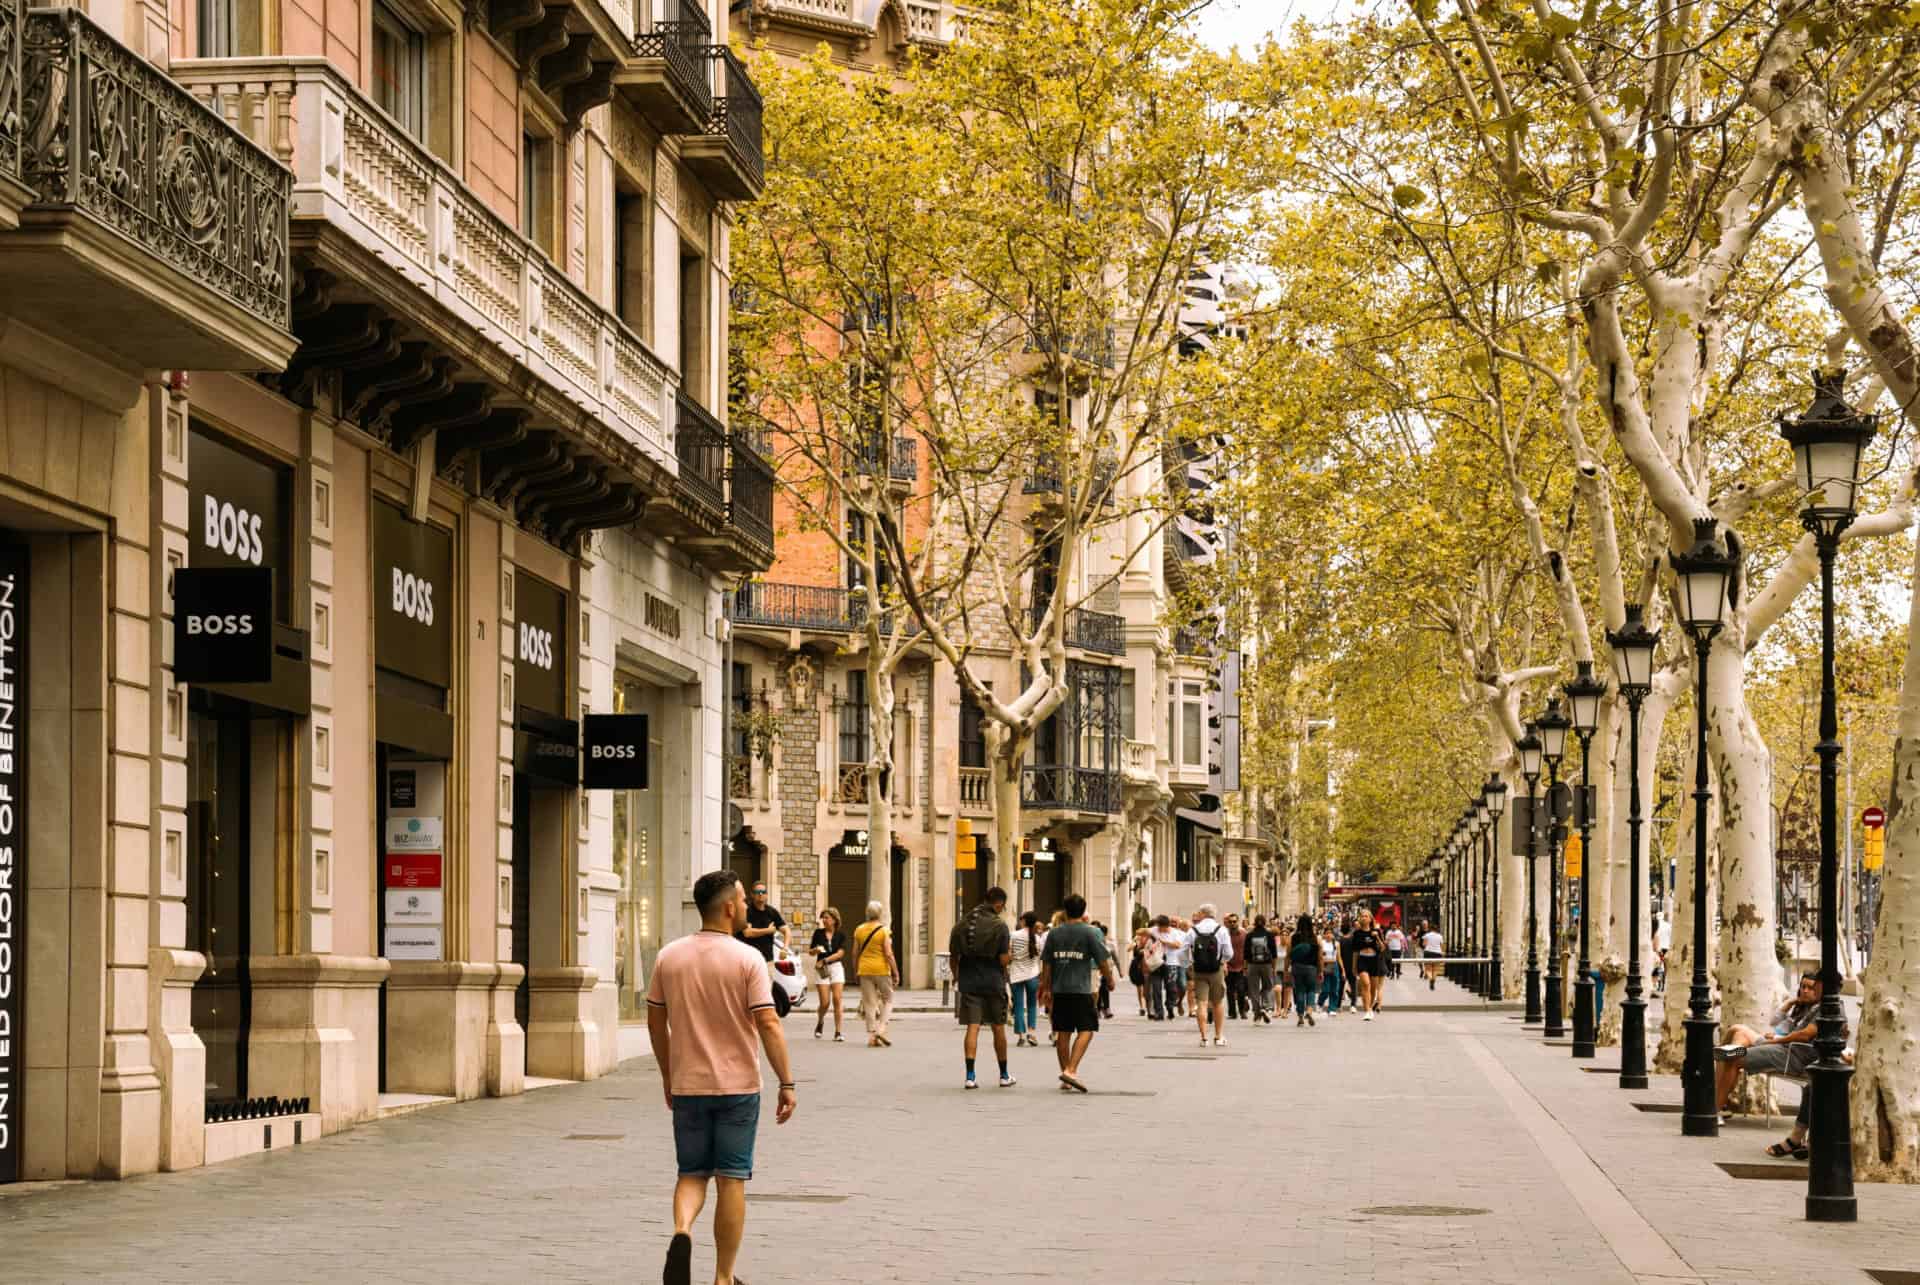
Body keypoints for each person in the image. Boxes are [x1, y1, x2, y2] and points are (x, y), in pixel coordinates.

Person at [647, 870, 797, 1285]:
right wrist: (787, 1081)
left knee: (692, 1174)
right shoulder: (747, 958)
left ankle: (682, 1232)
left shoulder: (669, 956)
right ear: (729, 907)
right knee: (731, 1181)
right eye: (745, 899)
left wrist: (667, 1074)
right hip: (738, 1088)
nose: (748, 905)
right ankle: (723, 1278)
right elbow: (768, 1023)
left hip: (688, 1085)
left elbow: (656, 1023)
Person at [1715, 973, 1827, 1118]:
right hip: (1783, 1049)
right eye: (1803, 987)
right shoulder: (1807, 1008)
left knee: (1733, 1055)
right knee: (1733, 1043)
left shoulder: (1824, 1008)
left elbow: (1804, 1035)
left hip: (1791, 1056)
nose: (1806, 991)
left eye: (1811, 987)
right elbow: (1778, 1025)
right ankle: (1716, 1102)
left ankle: (1714, 1109)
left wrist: (1774, 1040)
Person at [1040, 893, 1119, 1092]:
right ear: (1083, 911)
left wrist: (1046, 987)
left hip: (1060, 989)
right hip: (1081, 989)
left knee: (1063, 1032)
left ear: (1065, 910)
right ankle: (1071, 1070)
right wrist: (1109, 979)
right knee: (1087, 1029)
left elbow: (1047, 963)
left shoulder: (1054, 933)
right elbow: (1102, 959)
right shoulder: (1090, 932)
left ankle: (1066, 1075)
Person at [949, 886, 1015, 1089]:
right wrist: (1010, 956)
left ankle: (970, 1076)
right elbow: (1004, 960)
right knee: (998, 1027)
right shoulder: (1000, 926)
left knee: (973, 1026)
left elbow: (954, 958)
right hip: (993, 981)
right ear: (999, 904)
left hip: (969, 981)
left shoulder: (961, 924)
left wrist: (957, 975)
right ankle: (1004, 1075)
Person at [850, 901, 898, 1048]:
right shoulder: (884, 931)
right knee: (888, 999)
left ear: (867, 913)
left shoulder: (859, 929)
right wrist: (895, 972)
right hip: (881, 970)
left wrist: (855, 970)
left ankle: (872, 1037)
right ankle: (881, 1029)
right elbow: (888, 954)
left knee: (869, 1003)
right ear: (880, 914)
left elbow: (854, 953)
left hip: (865, 969)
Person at [1186, 904, 1233, 1047]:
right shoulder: (1222, 930)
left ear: (1202, 914)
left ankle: (1204, 1037)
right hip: (1215, 970)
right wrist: (1222, 961)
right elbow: (1229, 953)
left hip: (1199, 970)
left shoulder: (1193, 930)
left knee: (1201, 1003)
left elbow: (1184, 949)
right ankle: (1218, 1036)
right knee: (1218, 1002)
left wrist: (1190, 962)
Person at [808, 907, 848, 1042]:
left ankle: (838, 1031)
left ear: (834, 920)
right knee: (825, 1003)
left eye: (827, 918)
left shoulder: (841, 935)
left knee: (837, 999)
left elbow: (840, 953)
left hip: (835, 967)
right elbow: (811, 952)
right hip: (822, 970)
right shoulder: (818, 933)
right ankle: (820, 1021)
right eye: (823, 918)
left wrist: (825, 959)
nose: (824, 920)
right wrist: (815, 950)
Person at [1008, 911, 1047, 1047]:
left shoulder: (1013, 935)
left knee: (1018, 1005)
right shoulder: (1038, 938)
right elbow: (1041, 958)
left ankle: (1021, 1035)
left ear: (1023, 921)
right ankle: (1031, 1032)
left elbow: (1009, 954)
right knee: (1032, 1005)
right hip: (1032, 975)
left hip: (1016, 975)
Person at [1347, 909, 1388, 1020]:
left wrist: (1377, 937)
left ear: (1370, 919)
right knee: (1365, 983)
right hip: (1362, 960)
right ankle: (1367, 1010)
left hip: (1374, 960)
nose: (1364, 918)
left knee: (1373, 988)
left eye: (1366, 916)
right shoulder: (1357, 933)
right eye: (1362, 916)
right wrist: (1354, 967)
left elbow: (1383, 948)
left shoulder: (1377, 931)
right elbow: (1355, 951)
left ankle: (1370, 1007)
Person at [739, 882, 789, 967]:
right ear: (752, 895)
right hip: (749, 961)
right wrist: (768, 930)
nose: (760, 894)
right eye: (757, 892)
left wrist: (785, 948)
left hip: (768, 961)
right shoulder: (747, 911)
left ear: (767, 895)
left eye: (763, 892)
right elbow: (747, 933)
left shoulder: (772, 912)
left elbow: (786, 930)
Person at [1242, 914, 1279, 1025]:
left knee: (1254, 989)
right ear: (1264, 922)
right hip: (1266, 964)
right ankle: (1265, 1006)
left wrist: (1245, 967)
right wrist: (1274, 967)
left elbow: (1246, 954)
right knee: (1268, 986)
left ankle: (1257, 1014)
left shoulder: (1249, 935)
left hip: (1252, 965)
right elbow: (1274, 953)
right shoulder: (1269, 935)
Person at [1152, 914, 1188, 1019]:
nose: (1158, 929)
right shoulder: (1155, 930)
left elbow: (1177, 945)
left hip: (1171, 963)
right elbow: (1142, 931)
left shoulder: (1177, 933)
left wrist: (1162, 941)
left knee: (1171, 988)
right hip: (1156, 963)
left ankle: (1170, 1006)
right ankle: (1159, 1012)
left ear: (1166, 926)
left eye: (1160, 927)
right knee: (1156, 988)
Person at [1288, 916, 1320, 1026]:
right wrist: (1320, 971)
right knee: (1311, 990)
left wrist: (1287, 969)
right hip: (1311, 967)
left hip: (1297, 967)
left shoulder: (1294, 937)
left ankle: (1300, 1016)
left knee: (1300, 990)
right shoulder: (1314, 937)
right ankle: (1309, 1011)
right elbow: (1319, 956)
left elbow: (1289, 954)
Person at [1224, 912, 1250, 1020]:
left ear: (1238, 922)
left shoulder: (1244, 934)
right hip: (1228, 966)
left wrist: (1246, 965)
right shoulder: (1225, 934)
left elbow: (1248, 951)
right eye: (1230, 922)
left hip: (1241, 966)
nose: (1232, 923)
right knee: (1230, 991)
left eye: (1234, 921)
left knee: (1241, 990)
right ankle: (1232, 1013)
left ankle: (1242, 1011)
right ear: (1227, 923)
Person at [1317, 927, 1343, 1016]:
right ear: (1324, 934)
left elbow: (1339, 957)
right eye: (1327, 933)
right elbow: (1319, 956)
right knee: (1325, 989)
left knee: (1335, 988)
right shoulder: (1321, 943)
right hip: (1324, 965)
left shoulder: (1336, 944)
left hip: (1334, 965)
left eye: (1330, 933)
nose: (1328, 935)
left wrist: (1343, 970)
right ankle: (1320, 1003)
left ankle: (1332, 1008)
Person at [1421, 921, 1445, 989]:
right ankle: (1433, 980)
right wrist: (1442, 953)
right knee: (1435, 969)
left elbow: (1424, 944)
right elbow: (1441, 946)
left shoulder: (1427, 935)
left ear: (1430, 929)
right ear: (1437, 929)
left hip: (1428, 952)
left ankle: (1430, 979)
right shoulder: (1440, 936)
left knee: (1428, 968)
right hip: (1437, 953)